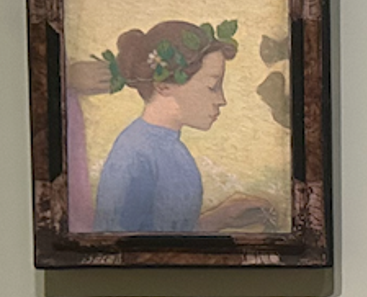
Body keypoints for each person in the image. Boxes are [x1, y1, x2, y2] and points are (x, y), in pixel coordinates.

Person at [89, 20, 274, 233]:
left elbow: (171, 232)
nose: (221, 100)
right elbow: (117, 243)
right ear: (163, 86)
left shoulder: (174, 149)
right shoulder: (133, 155)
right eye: (212, 86)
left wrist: (220, 219)